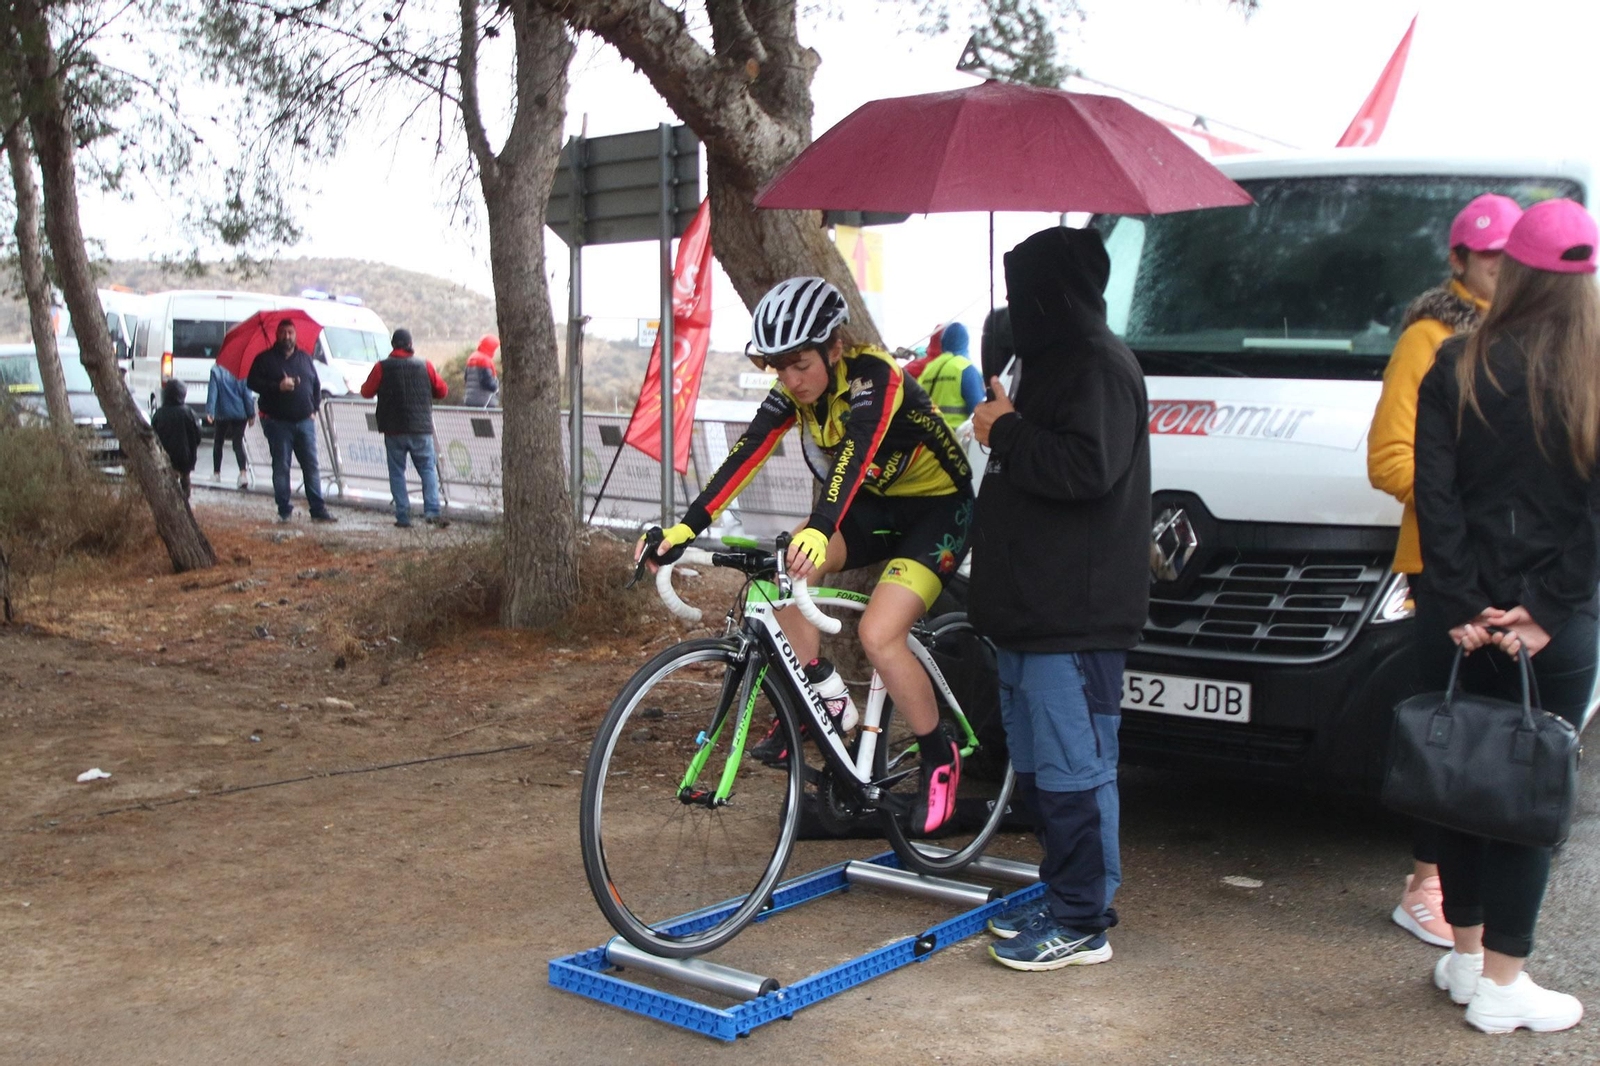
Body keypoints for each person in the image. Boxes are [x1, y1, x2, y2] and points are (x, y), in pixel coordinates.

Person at [640, 276, 975, 833]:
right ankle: (814, 699)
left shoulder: (876, 378)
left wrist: (821, 526)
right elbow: (746, 453)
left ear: (834, 348)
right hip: (875, 507)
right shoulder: (794, 391)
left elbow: (855, 453)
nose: (791, 380)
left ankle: (941, 757)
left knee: (877, 634)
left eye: (801, 364)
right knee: (788, 565)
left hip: (938, 511)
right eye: (779, 368)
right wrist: (684, 528)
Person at [1414, 198, 1600, 1034]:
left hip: (1456, 621)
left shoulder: (1454, 362)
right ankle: (1503, 985)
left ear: (1514, 272)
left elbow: (1436, 498)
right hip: (1550, 631)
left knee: (1458, 787)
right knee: (1529, 797)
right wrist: (1546, 611)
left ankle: (1463, 956)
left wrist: (1459, 605)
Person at [967, 227, 1150, 971]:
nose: (1015, 306)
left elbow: (1087, 467)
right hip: (1028, 611)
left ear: (1056, 292)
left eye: (1024, 292)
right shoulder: (1044, 361)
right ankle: (1064, 892)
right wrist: (1006, 419)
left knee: (1077, 771)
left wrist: (1007, 430)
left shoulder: (1100, 364)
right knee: (1042, 773)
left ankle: (1082, 920)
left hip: (1072, 617)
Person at [1367, 193, 1522, 949]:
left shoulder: (1530, 335)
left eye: (1513, 255)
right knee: (1446, 729)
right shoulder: (1428, 339)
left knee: (1499, 736)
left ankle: (1475, 895)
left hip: (1516, 574)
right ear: (1459, 259)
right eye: (1489, 255)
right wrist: (1478, 510)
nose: (1503, 268)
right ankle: (1425, 885)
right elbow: (1391, 459)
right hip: (1442, 570)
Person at [246, 317, 337, 524]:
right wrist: (278, 386)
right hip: (278, 423)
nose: (287, 336)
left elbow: (315, 385)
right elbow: (253, 382)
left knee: (311, 465)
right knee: (282, 466)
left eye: (290, 333)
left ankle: (318, 508)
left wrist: (313, 408)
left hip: (305, 422)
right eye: (283, 333)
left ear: (295, 335)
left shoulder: (305, 358)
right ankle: (284, 509)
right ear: (277, 335)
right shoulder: (265, 359)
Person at [360, 328, 450, 529]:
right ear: (411, 345)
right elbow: (442, 391)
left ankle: (403, 516)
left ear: (393, 345)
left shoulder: (381, 367)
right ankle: (432, 511)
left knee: (397, 472)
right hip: (421, 428)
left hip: (393, 430)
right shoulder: (425, 365)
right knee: (427, 470)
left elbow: (366, 392)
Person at [911, 323, 984, 431]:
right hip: (957, 438)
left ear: (943, 341)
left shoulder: (929, 368)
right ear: (966, 342)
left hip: (930, 437)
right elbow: (979, 411)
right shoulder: (965, 368)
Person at [206, 360, 257, 489]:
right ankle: (243, 474)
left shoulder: (216, 370)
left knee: (218, 442)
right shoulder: (242, 370)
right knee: (238, 443)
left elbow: (213, 392)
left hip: (222, 412)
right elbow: (247, 395)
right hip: (240, 413)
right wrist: (251, 414)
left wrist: (210, 411)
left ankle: (216, 473)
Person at [150, 378, 200, 501]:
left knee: (167, 483)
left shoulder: (159, 414)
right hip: (185, 457)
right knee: (185, 480)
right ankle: (185, 502)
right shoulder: (189, 413)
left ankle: (170, 501)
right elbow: (197, 435)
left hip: (165, 455)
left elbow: (153, 436)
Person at [464, 334, 500, 407]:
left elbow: (466, 378)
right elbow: (486, 381)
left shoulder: (472, 357)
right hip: (485, 401)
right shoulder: (485, 360)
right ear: (491, 347)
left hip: (470, 399)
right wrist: (496, 388)